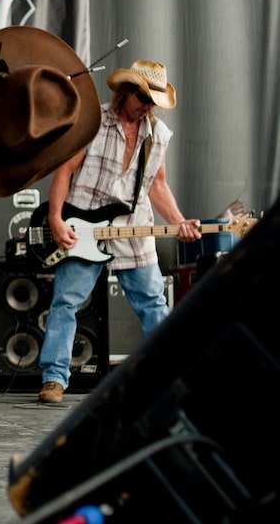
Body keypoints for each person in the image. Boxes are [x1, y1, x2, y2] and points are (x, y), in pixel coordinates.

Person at [36, 59, 201, 404]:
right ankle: (54, 378)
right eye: (142, 96)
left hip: (133, 224)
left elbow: (157, 185)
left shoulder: (159, 135)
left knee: (153, 301)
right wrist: (55, 217)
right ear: (126, 91)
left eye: (152, 100)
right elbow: (64, 170)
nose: (146, 106)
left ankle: (163, 374)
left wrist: (180, 220)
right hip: (83, 221)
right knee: (66, 301)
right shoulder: (93, 120)